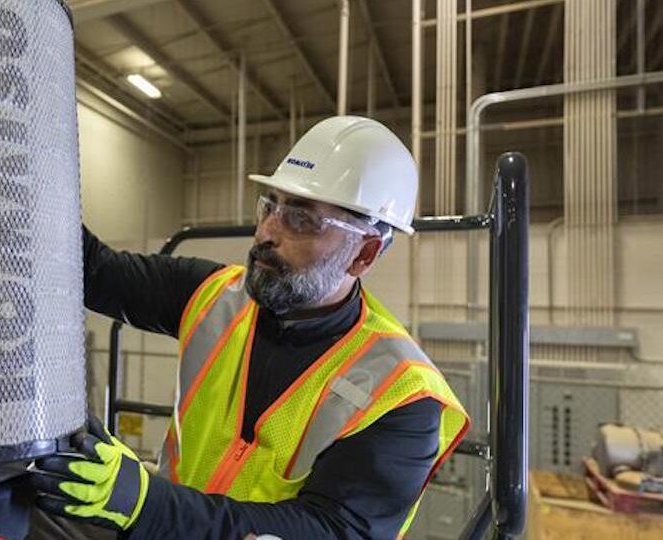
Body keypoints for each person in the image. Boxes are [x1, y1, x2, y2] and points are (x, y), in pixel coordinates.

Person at [30, 116, 471, 539]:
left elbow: (327, 529)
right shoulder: (213, 296)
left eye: (301, 218)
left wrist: (148, 503)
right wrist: (18, 175)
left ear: (365, 254)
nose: (265, 233)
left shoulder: (401, 395)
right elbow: (94, 271)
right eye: (269, 206)